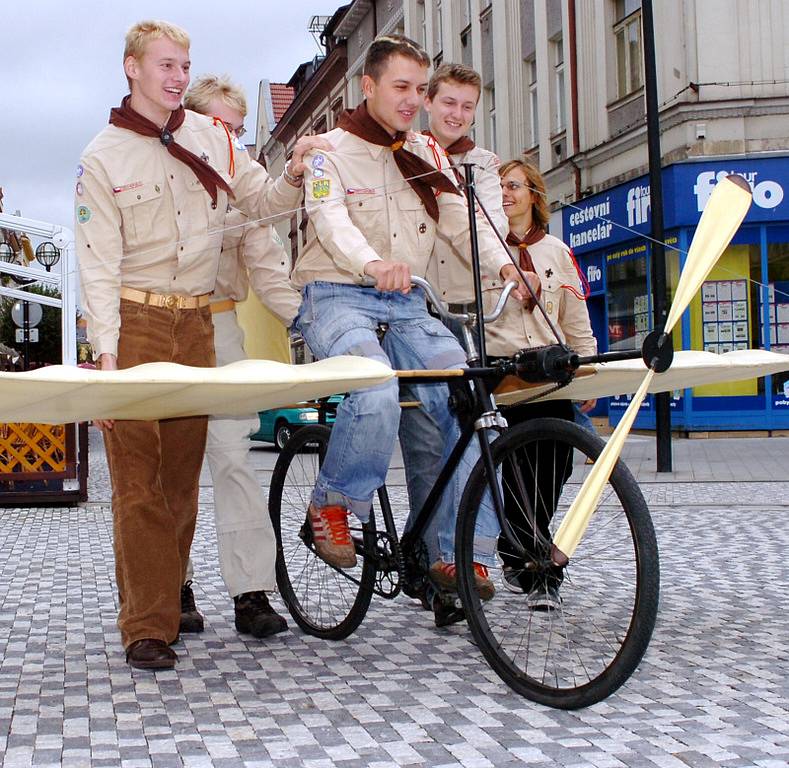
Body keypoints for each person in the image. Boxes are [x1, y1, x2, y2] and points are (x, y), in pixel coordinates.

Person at [76, 20, 326, 670]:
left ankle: (168, 602)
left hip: (196, 327)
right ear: (131, 68)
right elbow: (97, 263)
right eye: (165, 65)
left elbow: (264, 204)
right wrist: (104, 356)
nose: (178, 77)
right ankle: (146, 626)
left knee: (182, 482)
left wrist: (295, 173)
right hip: (136, 324)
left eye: (184, 65)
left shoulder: (213, 139)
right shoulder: (103, 156)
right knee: (138, 483)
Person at [289, 35, 539, 616]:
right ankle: (331, 503)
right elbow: (329, 222)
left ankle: (455, 551)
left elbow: (462, 221)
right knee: (373, 387)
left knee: (470, 401)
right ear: (369, 86)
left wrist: (508, 264)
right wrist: (372, 263)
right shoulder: (327, 151)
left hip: (407, 304)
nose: (412, 99)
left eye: (419, 89)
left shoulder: (424, 153)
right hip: (338, 296)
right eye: (401, 87)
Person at [178, 75, 302, 639]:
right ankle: (169, 585)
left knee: (233, 459)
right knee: (168, 466)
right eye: (218, 125)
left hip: (221, 324)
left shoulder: (242, 192)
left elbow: (271, 268)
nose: (228, 138)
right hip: (162, 326)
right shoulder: (165, 177)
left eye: (237, 128)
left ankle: (250, 592)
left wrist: (308, 323)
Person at [399, 62, 509, 559]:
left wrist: (507, 269)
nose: (457, 114)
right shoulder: (407, 153)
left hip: (470, 313)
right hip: (420, 308)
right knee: (424, 446)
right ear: (429, 102)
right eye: (448, 103)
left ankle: (462, 556)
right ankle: (428, 561)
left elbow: (487, 228)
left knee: (475, 434)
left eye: (467, 107)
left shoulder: (482, 164)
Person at [484, 159, 597, 610]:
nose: (506, 193)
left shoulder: (557, 251)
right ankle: (534, 564)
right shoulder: (481, 250)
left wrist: (587, 373)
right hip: (505, 377)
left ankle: (526, 550)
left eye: (514, 185)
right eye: (499, 187)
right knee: (515, 468)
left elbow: (576, 320)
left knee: (555, 466)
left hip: (550, 375)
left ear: (535, 193)